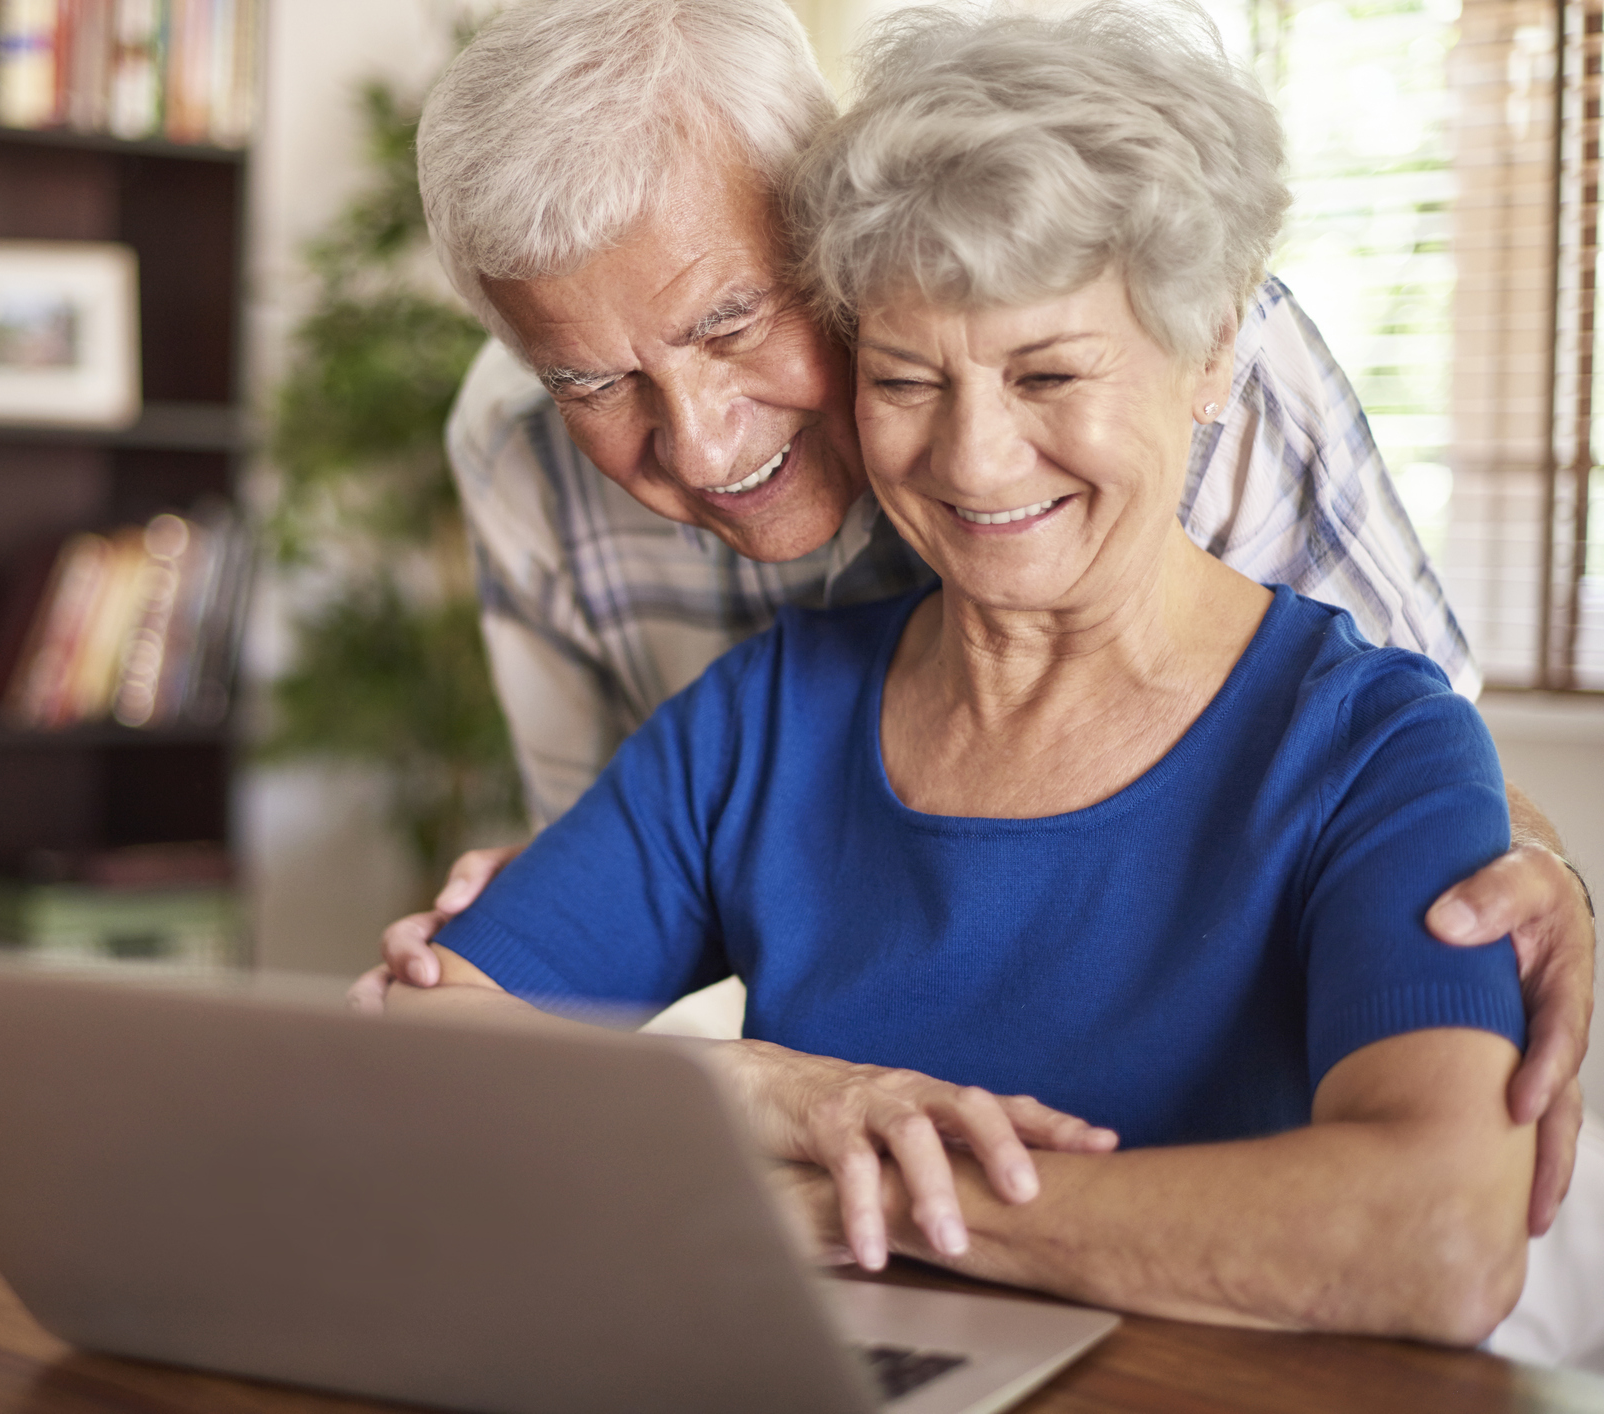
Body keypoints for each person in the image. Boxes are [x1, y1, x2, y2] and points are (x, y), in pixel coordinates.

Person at [382, 0, 1535, 1341]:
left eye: (1045, 373)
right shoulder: (755, 716)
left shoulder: (1362, 726)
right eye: (909, 380)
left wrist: (851, 1205)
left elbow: (1441, 1235)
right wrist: (763, 1103)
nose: (697, 447)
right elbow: (446, 1045)